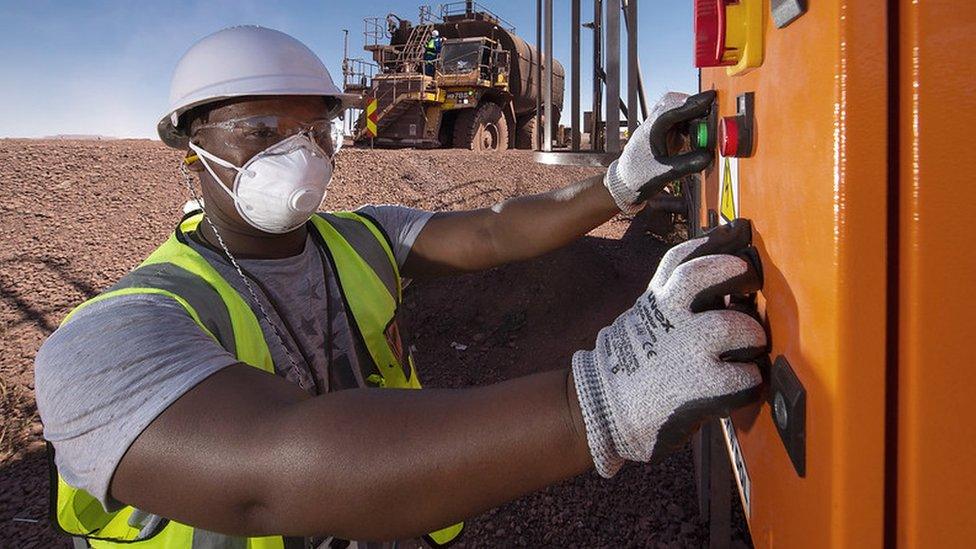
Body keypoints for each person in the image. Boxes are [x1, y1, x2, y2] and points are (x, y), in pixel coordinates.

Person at [34, 26, 766, 548]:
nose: (299, 153)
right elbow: (269, 471)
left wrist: (620, 182)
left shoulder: (361, 237)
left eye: (316, 130)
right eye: (259, 131)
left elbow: (496, 230)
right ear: (191, 156)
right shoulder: (109, 342)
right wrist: (605, 399)